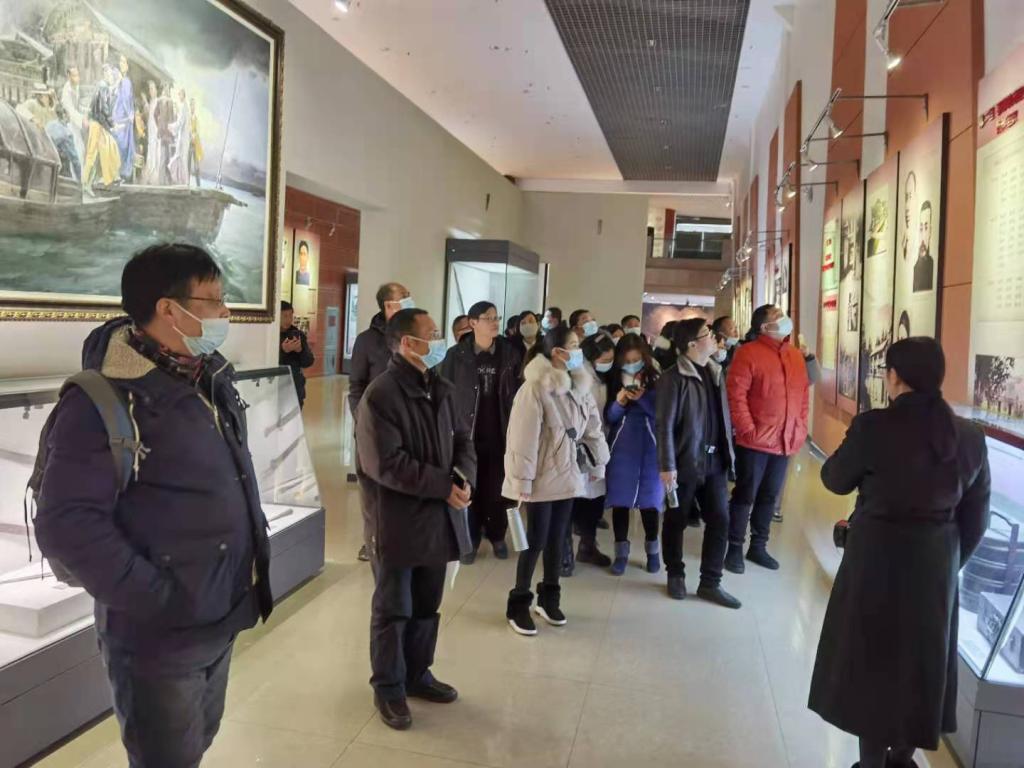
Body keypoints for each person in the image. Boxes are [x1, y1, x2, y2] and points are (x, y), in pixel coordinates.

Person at [33, 243, 272, 766]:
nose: (225, 311)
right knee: (165, 756)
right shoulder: (100, 400)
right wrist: (159, 598)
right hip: (159, 632)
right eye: (213, 299)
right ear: (169, 309)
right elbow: (66, 525)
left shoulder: (208, 375)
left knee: (198, 738)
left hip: (219, 609)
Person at [808, 338, 990, 768]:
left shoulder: (874, 426)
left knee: (871, 661)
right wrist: (947, 563)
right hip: (935, 566)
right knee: (922, 666)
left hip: (875, 559)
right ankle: (902, 760)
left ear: (894, 376)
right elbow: (976, 519)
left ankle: (871, 762)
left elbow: (835, 478)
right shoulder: (968, 435)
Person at [356, 308, 476, 731]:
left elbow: (464, 440)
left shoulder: (442, 388)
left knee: (427, 604)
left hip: (438, 519)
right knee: (394, 608)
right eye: (433, 333)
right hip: (396, 522)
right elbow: (386, 464)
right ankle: (389, 686)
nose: (440, 339)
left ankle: (417, 674)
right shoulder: (381, 396)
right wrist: (443, 484)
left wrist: (463, 477)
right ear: (408, 343)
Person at [503, 325, 609, 636]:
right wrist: (521, 482)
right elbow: (522, 440)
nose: (578, 351)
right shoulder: (534, 389)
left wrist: (599, 461)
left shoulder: (580, 384)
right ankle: (518, 603)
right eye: (573, 345)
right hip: (540, 479)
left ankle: (549, 598)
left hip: (569, 475)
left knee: (558, 537)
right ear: (558, 352)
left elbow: (593, 427)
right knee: (534, 540)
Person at [656, 319, 742, 607]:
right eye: (708, 334)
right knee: (676, 519)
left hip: (715, 461)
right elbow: (664, 425)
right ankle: (675, 573)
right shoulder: (672, 378)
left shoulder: (715, 372)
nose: (715, 338)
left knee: (720, 519)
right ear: (692, 344)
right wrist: (667, 465)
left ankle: (710, 582)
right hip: (685, 462)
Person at [725, 304, 809, 573]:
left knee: (770, 497)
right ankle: (734, 547)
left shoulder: (795, 355)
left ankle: (758, 546)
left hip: (785, 440)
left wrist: (800, 426)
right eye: (777, 316)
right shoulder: (748, 353)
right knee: (745, 495)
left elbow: (802, 397)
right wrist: (747, 429)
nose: (783, 319)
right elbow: (736, 396)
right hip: (755, 441)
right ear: (764, 327)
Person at [440, 301, 523, 560]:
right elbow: (445, 392)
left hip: (501, 431)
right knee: (469, 486)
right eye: (488, 318)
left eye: (497, 317)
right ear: (473, 323)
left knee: (498, 489)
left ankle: (497, 536)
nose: (495, 322)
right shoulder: (456, 355)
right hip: (467, 434)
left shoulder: (510, 353)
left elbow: (519, 391)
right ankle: (471, 540)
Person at [350, 282, 414, 561]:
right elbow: (356, 386)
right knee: (372, 491)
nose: (409, 302)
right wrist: (362, 421)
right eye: (404, 298)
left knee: (405, 485)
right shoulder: (366, 341)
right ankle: (373, 542)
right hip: (373, 427)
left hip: (408, 426)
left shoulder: (414, 336)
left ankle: (402, 540)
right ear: (388, 306)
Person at [605, 333, 662, 575]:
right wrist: (620, 402)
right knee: (620, 502)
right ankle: (621, 553)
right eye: (627, 361)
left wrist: (644, 399)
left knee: (650, 504)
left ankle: (653, 551)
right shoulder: (613, 379)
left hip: (651, 449)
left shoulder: (657, 379)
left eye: (636, 360)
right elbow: (609, 418)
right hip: (622, 449)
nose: (632, 365)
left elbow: (663, 415)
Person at [564, 331, 616, 575]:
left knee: (593, 502)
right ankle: (564, 552)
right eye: (605, 359)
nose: (609, 363)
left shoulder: (602, 376)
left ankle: (587, 545)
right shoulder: (576, 376)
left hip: (598, 446)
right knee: (571, 501)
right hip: (578, 447)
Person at [82, 66, 121, 191]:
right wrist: (112, 124)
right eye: (110, 75)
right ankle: (86, 182)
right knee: (93, 153)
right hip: (97, 124)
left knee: (107, 148)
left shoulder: (101, 86)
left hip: (98, 124)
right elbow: (104, 108)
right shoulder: (103, 87)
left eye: (112, 76)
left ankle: (109, 177)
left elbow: (95, 106)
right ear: (105, 74)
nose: (111, 78)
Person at [279, 300, 315, 408]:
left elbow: (309, 361)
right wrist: (283, 350)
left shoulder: (298, 335)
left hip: (295, 386)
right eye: (285, 316)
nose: (288, 320)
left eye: (290, 315)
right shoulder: (270, 334)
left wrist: (300, 350)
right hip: (276, 386)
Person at [111, 54, 136, 182]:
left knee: (122, 145)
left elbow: (126, 101)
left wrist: (130, 114)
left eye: (124, 62)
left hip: (123, 118)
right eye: (120, 61)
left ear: (127, 66)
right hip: (119, 116)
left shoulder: (126, 81)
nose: (121, 64)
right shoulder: (121, 81)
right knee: (118, 144)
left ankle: (122, 173)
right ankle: (117, 173)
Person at [168, 87, 192, 186]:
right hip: (182, 137)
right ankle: (181, 181)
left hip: (183, 138)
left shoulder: (184, 107)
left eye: (180, 95)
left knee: (181, 159)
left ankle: (184, 182)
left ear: (183, 95)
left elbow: (180, 123)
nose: (179, 96)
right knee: (180, 159)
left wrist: (171, 126)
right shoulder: (184, 106)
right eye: (178, 95)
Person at [912, 201, 935, 293]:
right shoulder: (914, 268)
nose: (922, 237)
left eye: (926, 228)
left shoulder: (932, 265)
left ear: (930, 231)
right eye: (921, 229)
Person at [189, 96, 204, 187]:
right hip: (188, 144)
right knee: (187, 166)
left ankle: (199, 186)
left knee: (197, 167)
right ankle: (186, 184)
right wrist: (190, 135)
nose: (192, 107)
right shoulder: (188, 118)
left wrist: (193, 135)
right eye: (191, 105)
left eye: (193, 105)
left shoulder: (196, 119)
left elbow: (197, 131)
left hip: (195, 145)